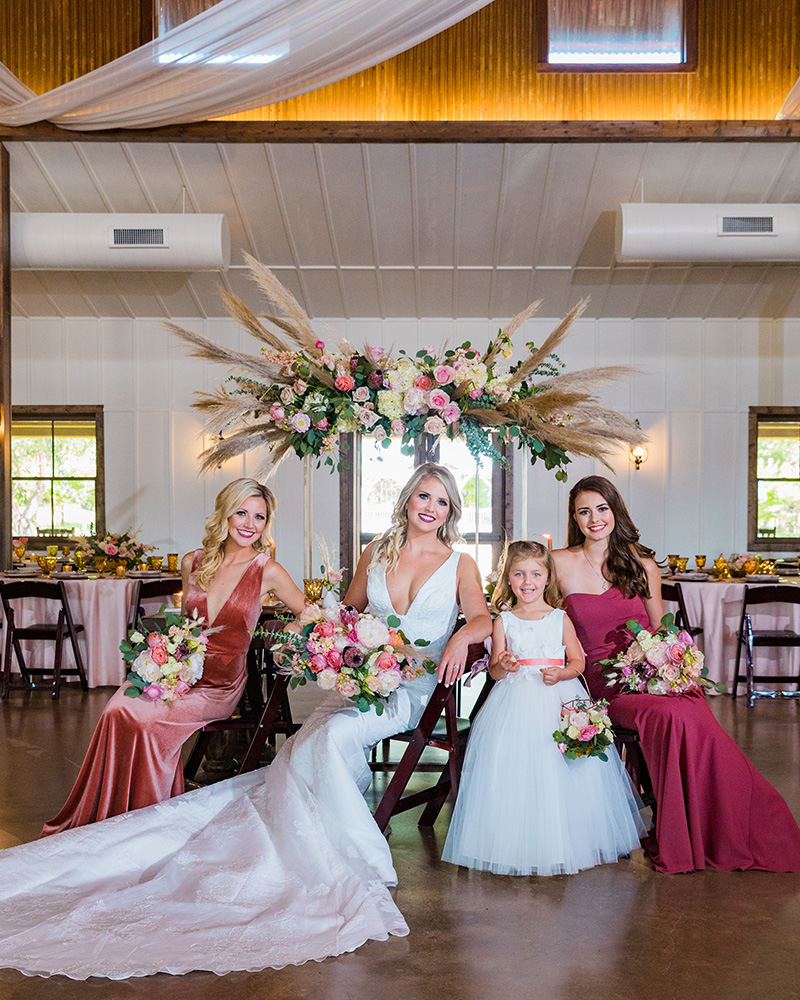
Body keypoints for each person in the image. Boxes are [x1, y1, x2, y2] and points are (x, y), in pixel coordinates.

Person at [0, 464, 491, 979]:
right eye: (422, 496)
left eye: (441, 501)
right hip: (363, 680)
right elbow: (345, 616)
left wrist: (462, 636)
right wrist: (328, 651)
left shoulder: (460, 563)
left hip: (414, 689)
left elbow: (481, 617)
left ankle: (348, 847)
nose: (430, 507)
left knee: (329, 738)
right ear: (407, 499)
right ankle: (294, 830)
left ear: (450, 511)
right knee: (304, 745)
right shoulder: (378, 553)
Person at [553, 474, 800, 874]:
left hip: (648, 675)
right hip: (602, 685)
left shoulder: (642, 564)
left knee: (692, 711)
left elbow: (659, 629)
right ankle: (682, 834)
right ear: (574, 518)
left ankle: (718, 827)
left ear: (616, 511)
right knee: (670, 715)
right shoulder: (558, 563)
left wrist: (668, 665)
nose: (595, 519)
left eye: (602, 508)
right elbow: (543, 621)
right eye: (584, 511)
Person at [41, 478, 307, 835]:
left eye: (259, 517)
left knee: (147, 721)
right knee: (118, 710)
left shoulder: (267, 570)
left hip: (219, 685)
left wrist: (290, 633)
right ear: (225, 515)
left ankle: (151, 821)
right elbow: (185, 625)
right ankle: (111, 812)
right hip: (177, 672)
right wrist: (164, 663)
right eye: (241, 513)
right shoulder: (192, 562)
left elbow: (310, 612)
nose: (249, 524)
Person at [442, 540, 646, 876]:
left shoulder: (560, 618)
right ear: (508, 579)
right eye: (519, 574)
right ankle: (513, 842)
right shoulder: (504, 621)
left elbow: (578, 661)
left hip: (557, 696)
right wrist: (504, 665)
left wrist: (562, 673)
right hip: (514, 700)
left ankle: (567, 841)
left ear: (548, 577)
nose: (528, 581)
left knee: (559, 767)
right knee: (517, 768)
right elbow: (494, 671)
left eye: (536, 574)